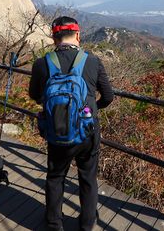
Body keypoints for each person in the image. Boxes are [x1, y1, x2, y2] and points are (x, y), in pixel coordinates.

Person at [29, 16, 114, 231]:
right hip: (87, 130)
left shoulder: (42, 63)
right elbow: (108, 96)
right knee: (87, 177)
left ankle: (54, 223)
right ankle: (86, 224)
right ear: (78, 35)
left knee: (56, 176)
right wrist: (91, 109)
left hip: (57, 129)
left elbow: (35, 95)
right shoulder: (92, 61)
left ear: (53, 37)